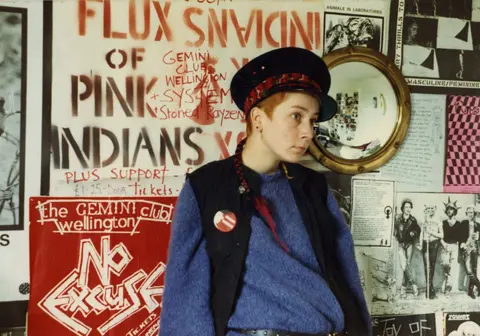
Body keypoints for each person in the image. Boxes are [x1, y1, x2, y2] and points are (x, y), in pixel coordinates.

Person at [158, 47, 371, 336]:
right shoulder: (207, 186)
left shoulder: (313, 187)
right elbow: (185, 297)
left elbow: (345, 273)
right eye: (296, 116)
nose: (308, 132)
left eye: (312, 120)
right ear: (258, 119)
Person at [393, 198, 420, 297]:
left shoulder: (413, 220)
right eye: (406, 207)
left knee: (406, 265)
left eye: (409, 207)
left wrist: (414, 233)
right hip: (400, 244)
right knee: (404, 265)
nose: (408, 209)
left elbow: (418, 229)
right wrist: (395, 234)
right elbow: (394, 229)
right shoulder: (397, 218)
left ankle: (403, 289)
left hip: (409, 244)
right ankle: (413, 285)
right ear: (403, 208)